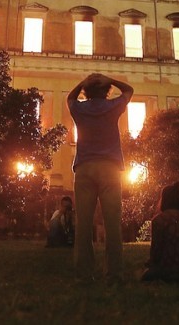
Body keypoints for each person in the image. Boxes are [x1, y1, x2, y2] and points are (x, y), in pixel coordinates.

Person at [67, 73, 134, 283]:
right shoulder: (112, 107)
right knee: (112, 222)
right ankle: (114, 274)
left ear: (86, 91)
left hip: (85, 168)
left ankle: (83, 275)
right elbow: (129, 90)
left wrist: (83, 81)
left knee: (83, 224)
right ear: (106, 91)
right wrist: (110, 79)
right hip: (110, 168)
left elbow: (70, 98)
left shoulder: (79, 109)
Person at [142, 182, 179, 283]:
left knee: (146, 275)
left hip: (168, 270)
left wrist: (150, 264)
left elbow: (156, 251)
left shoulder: (159, 220)